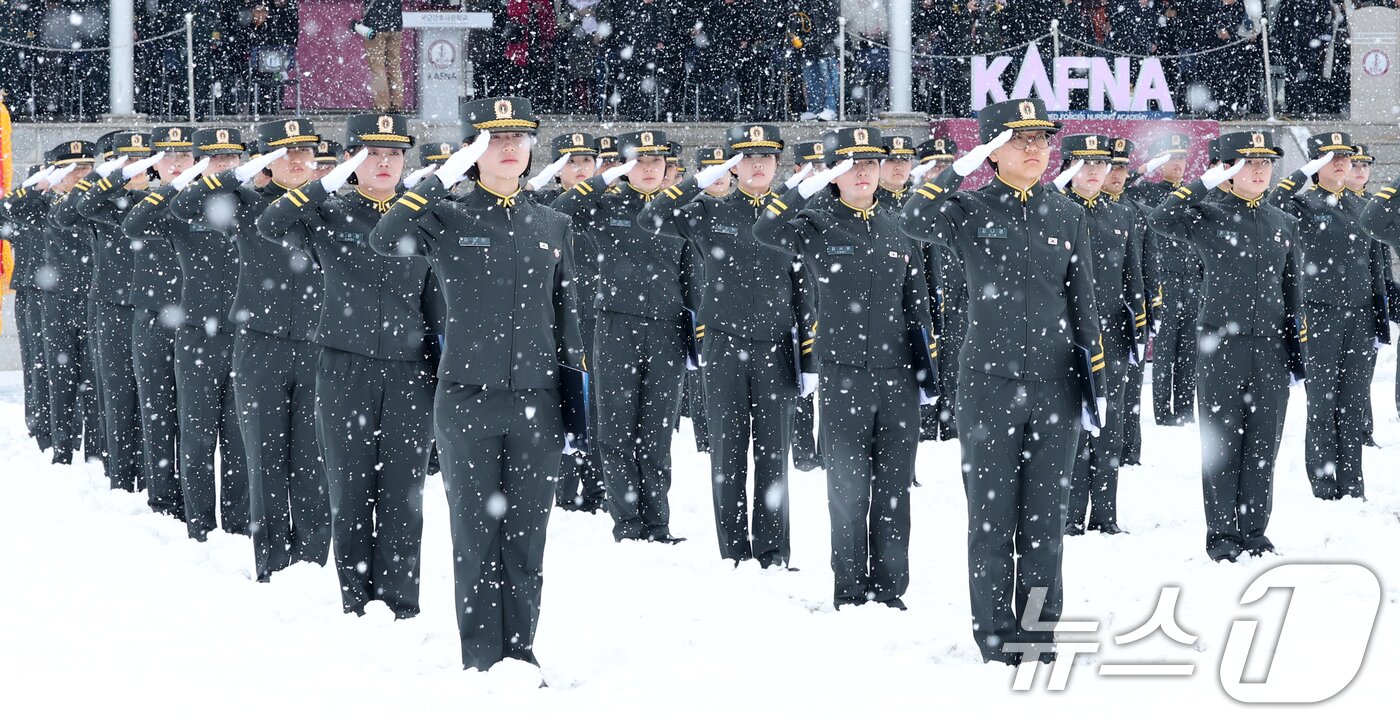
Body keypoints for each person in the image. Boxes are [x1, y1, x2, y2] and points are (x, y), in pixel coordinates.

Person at [370, 97, 584, 671]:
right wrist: (440, 178)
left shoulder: (553, 223)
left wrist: (575, 410)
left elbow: (567, 319)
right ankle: (481, 657)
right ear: (473, 148)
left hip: (538, 401)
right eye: (494, 138)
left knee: (527, 535)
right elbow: (384, 239)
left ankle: (522, 650)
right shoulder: (449, 217)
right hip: (466, 397)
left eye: (519, 136)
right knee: (475, 533)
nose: (510, 147)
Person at [901, 98, 1106, 665]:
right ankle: (994, 639)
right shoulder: (968, 210)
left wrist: (1095, 382)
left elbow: (1082, 301)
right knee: (990, 522)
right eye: (1022, 139)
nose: (1037, 148)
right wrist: (961, 168)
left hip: (1056, 386)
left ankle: (1038, 636)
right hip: (988, 386)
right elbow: (912, 218)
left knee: (1045, 522)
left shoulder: (1066, 214)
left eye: (1043, 138)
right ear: (994, 152)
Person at [258, 113, 435, 617]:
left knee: (403, 493)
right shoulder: (328, 214)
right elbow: (270, 225)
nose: (384, 163)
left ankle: (400, 603)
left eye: (395, 154)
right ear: (354, 160)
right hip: (343, 367)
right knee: (349, 487)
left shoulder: (420, 216)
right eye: (371, 154)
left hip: (409, 368)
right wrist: (324, 184)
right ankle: (356, 601)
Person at [756, 126, 938, 609]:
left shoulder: (900, 224)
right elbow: (765, 229)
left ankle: (889, 587)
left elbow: (918, 304)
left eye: (871, 164)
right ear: (836, 173)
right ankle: (851, 587)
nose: (863, 173)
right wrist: (810, 185)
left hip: (898, 375)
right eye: (852, 165)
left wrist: (927, 374)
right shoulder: (816, 222)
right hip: (844, 375)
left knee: (895, 489)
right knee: (849, 490)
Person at [639, 124, 813, 568]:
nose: (757, 165)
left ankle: (773, 551)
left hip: (775, 346)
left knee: (774, 453)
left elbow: (804, 288)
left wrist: (808, 355)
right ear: (733, 166)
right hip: (723, 345)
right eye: (747, 157)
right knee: (728, 452)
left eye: (766, 157)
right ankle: (733, 550)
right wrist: (701, 178)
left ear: (777, 163)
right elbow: (651, 218)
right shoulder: (708, 212)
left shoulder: (792, 216)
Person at [170, 118, 330, 582]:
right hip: (260, 346)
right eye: (285, 152)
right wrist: (234, 173)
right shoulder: (244, 206)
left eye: (305, 152)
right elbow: (184, 207)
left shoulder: (328, 207)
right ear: (265, 160)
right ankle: (272, 561)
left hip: (317, 346)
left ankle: (312, 564)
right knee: (263, 460)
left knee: (312, 460)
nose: (298, 160)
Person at [1150, 130, 1305, 562]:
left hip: (1271, 347)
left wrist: (1297, 351)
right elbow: (1161, 218)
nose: (1258, 170)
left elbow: (1291, 289)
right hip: (1221, 346)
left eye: (1265, 163)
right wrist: (1209, 181)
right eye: (1247, 163)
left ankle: (1255, 530)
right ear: (1229, 171)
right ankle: (1221, 534)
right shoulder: (1207, 215)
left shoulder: (1282, 222)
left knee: (1263, 443)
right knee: (1221, 444)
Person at [552, 129, 695, 543]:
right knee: (615, 430)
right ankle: (628, 523)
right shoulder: (606, 206)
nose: (648, 170)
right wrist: (604, 177)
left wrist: (694, 338)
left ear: (668, 167)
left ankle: (658, 522)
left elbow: (691, 279)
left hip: (667, 330)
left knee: (656, 432)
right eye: (640, 162)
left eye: (656, 163)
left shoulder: (678, 212)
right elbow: (564, 208)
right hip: (616, 327)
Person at [125, 127, 250, 539]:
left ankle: (235, 526)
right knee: (196, 437)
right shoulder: (183, 208)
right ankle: (199, 525)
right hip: (198, 335)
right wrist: (178, 182)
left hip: (246, 334)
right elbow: (136, 223)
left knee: (238, 439)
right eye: (213, 159)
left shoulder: (251, 205)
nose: (223, 167)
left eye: (230, 159)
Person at [1267, 132, 1385, 501]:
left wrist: (1382, 314)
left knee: (1353, 404)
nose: (1340, 164)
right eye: (1330, 158)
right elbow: (1275, 200)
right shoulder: (1302, 205)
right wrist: (1305, 171)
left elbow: (1375, 265)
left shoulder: (1361, 206)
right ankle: (1323, 483)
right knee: (1322, 403)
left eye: (1345, 157)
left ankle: (1352, 483)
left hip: (1361, 317)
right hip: (1319, 316)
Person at [1053, 134, 1146, 536]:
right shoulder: (1053, 211)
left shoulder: (1120, 215)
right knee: (1074, 426)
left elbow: (1133, 277)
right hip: (1067, 335)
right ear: (1070, 167)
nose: (1094, 173)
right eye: (1085, 164)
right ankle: (1071, 516)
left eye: (1100, 165)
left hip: (1112, 335)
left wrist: (1138, 329)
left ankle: (1105, 515)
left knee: (1111, 428)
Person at [10, 142, 107, 467]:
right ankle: (59, 447)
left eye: (86, 167)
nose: (81, 174)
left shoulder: (97, 203)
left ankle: (95, 453)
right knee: (57, 376)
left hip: (93, 298)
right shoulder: (41, 205)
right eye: (73, 169)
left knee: (94, 381)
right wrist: (31, 189)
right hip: (54, 301)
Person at [75, 132, 158, 495]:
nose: (136, 167)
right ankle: (122, 479)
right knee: (120, 394)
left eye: (142, 160)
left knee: (154, 402)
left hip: (155, 306)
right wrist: (109, 176)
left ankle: (153, 478)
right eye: (127, 160)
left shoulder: (161, 199)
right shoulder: (105, 201)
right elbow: (70, 211)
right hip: (113, 305)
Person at [125, 126, 195, 518]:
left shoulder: (209, 203)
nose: (176, 163)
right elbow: (87, 207)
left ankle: (193, 498)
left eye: (184, 155)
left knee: (195, 421)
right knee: (157, 412)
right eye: (166, 156)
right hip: (153, 317)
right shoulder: (141, 200)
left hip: (199, 322)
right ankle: (163, 497)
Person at [1128, 134, 1199, 426]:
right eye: (1171, 159)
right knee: (1165, 349)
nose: (1178, 165)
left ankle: (1184, 410)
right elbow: (1122, 190)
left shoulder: (1193, 195)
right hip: (1164, 280)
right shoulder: (1149, 193)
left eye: (1182, 158)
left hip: (1192, 279)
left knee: (1189, 350)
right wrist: (1144, 169)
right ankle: (1163, 412)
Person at [1102, 137, 1161, 467]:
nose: (1117, 175)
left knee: (1131, 386)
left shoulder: (1139, 213)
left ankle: (1128, 448)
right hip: (1096, 309)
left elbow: (1149, 266)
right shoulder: (1079, 209)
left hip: (1129, 313)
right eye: (1112, 167)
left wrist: (1154, 308)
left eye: (1123, 168)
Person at [2, 156, 57, 456]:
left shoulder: (63, 208)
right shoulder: (22, 209)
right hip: (31, 293)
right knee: (36, 361)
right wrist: (28, 191)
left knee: (63, 365)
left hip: (65, 294)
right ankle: (39, 422)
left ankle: (62, 426)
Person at [913, 137, 964, 445]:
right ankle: (926, 428)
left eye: (947, 165)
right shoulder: (913, 206)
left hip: (959, 300)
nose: (940, 171)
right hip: (922, 300)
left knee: (954, 369)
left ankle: (952, 427)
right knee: (925, 367)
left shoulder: (963, 205)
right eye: (935, 166)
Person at [1346, 144, 1397, 440]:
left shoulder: (1374, 204)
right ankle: (1355, 430)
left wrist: (1389, 293)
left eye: (1366, 165)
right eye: (1355, 164)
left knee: (1365, 367)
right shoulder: (1337, 204)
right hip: (1342, 295)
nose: (1362, 170)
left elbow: (1382, 257)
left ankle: (1364, 428)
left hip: (1373, 294)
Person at [358, 0, 404, 111]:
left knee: (377, 68)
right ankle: (396, 104)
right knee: (394, 67)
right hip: (395, 24)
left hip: (375, 25)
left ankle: (382, 105)